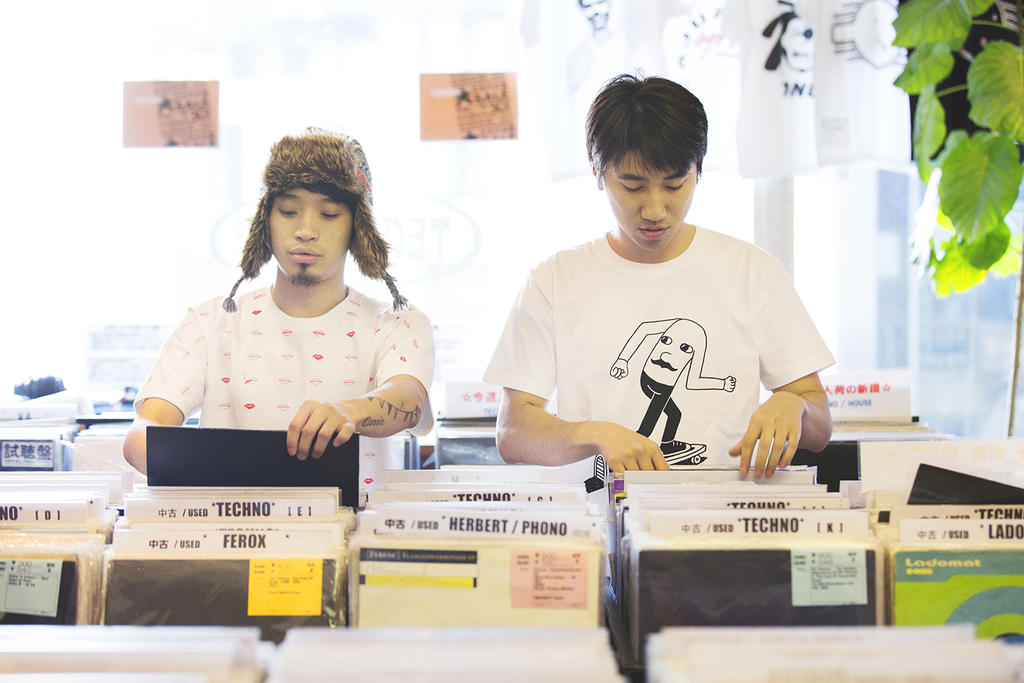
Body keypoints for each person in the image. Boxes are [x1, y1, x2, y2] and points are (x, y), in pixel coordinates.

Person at [484, 74, 833, 479]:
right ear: (598, 173)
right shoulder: (554, 281)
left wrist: (795, 405)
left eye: (674, 184)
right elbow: (513, 432)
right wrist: (595, 434)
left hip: (723, 512)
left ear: (698, 171)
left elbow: (820, 427)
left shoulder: (753, 273)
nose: (654, 210)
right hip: (602, 510)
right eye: (632, 187)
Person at [124, 128, 435, 473]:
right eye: (288, 211)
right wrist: (196, 467)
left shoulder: (397, 324)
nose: (306, 231)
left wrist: (350, 411)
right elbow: (146, 430)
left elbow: (408, 399)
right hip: (230, 509)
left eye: (329, 214)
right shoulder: (211, 323)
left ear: (357, 228)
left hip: (356, 509)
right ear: (265, 221)